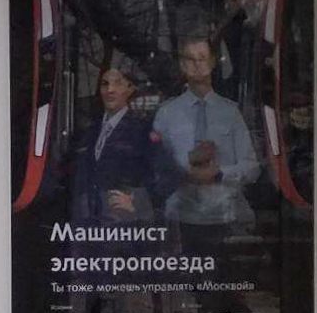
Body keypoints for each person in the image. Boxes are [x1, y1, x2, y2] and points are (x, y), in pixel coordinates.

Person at [150, 32, 259, 228]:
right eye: (190, 59)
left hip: (225, 215)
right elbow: (155, 168)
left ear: (212, 62)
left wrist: (219, 173)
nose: (197, 64)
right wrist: (183, 172)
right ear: (182, 64)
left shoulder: (230, 112)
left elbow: (252, 168)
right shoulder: (167, 114)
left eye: (202, 58)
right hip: (179, 217)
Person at [64, 57, 165, 222]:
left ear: (130, 88)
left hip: (126, 225)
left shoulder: (142, 131)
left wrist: (137, 203)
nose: (110, 90)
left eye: (118, 83)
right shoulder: (89, 132)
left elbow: (162, 177)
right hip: (88, 223)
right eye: (105, 84)